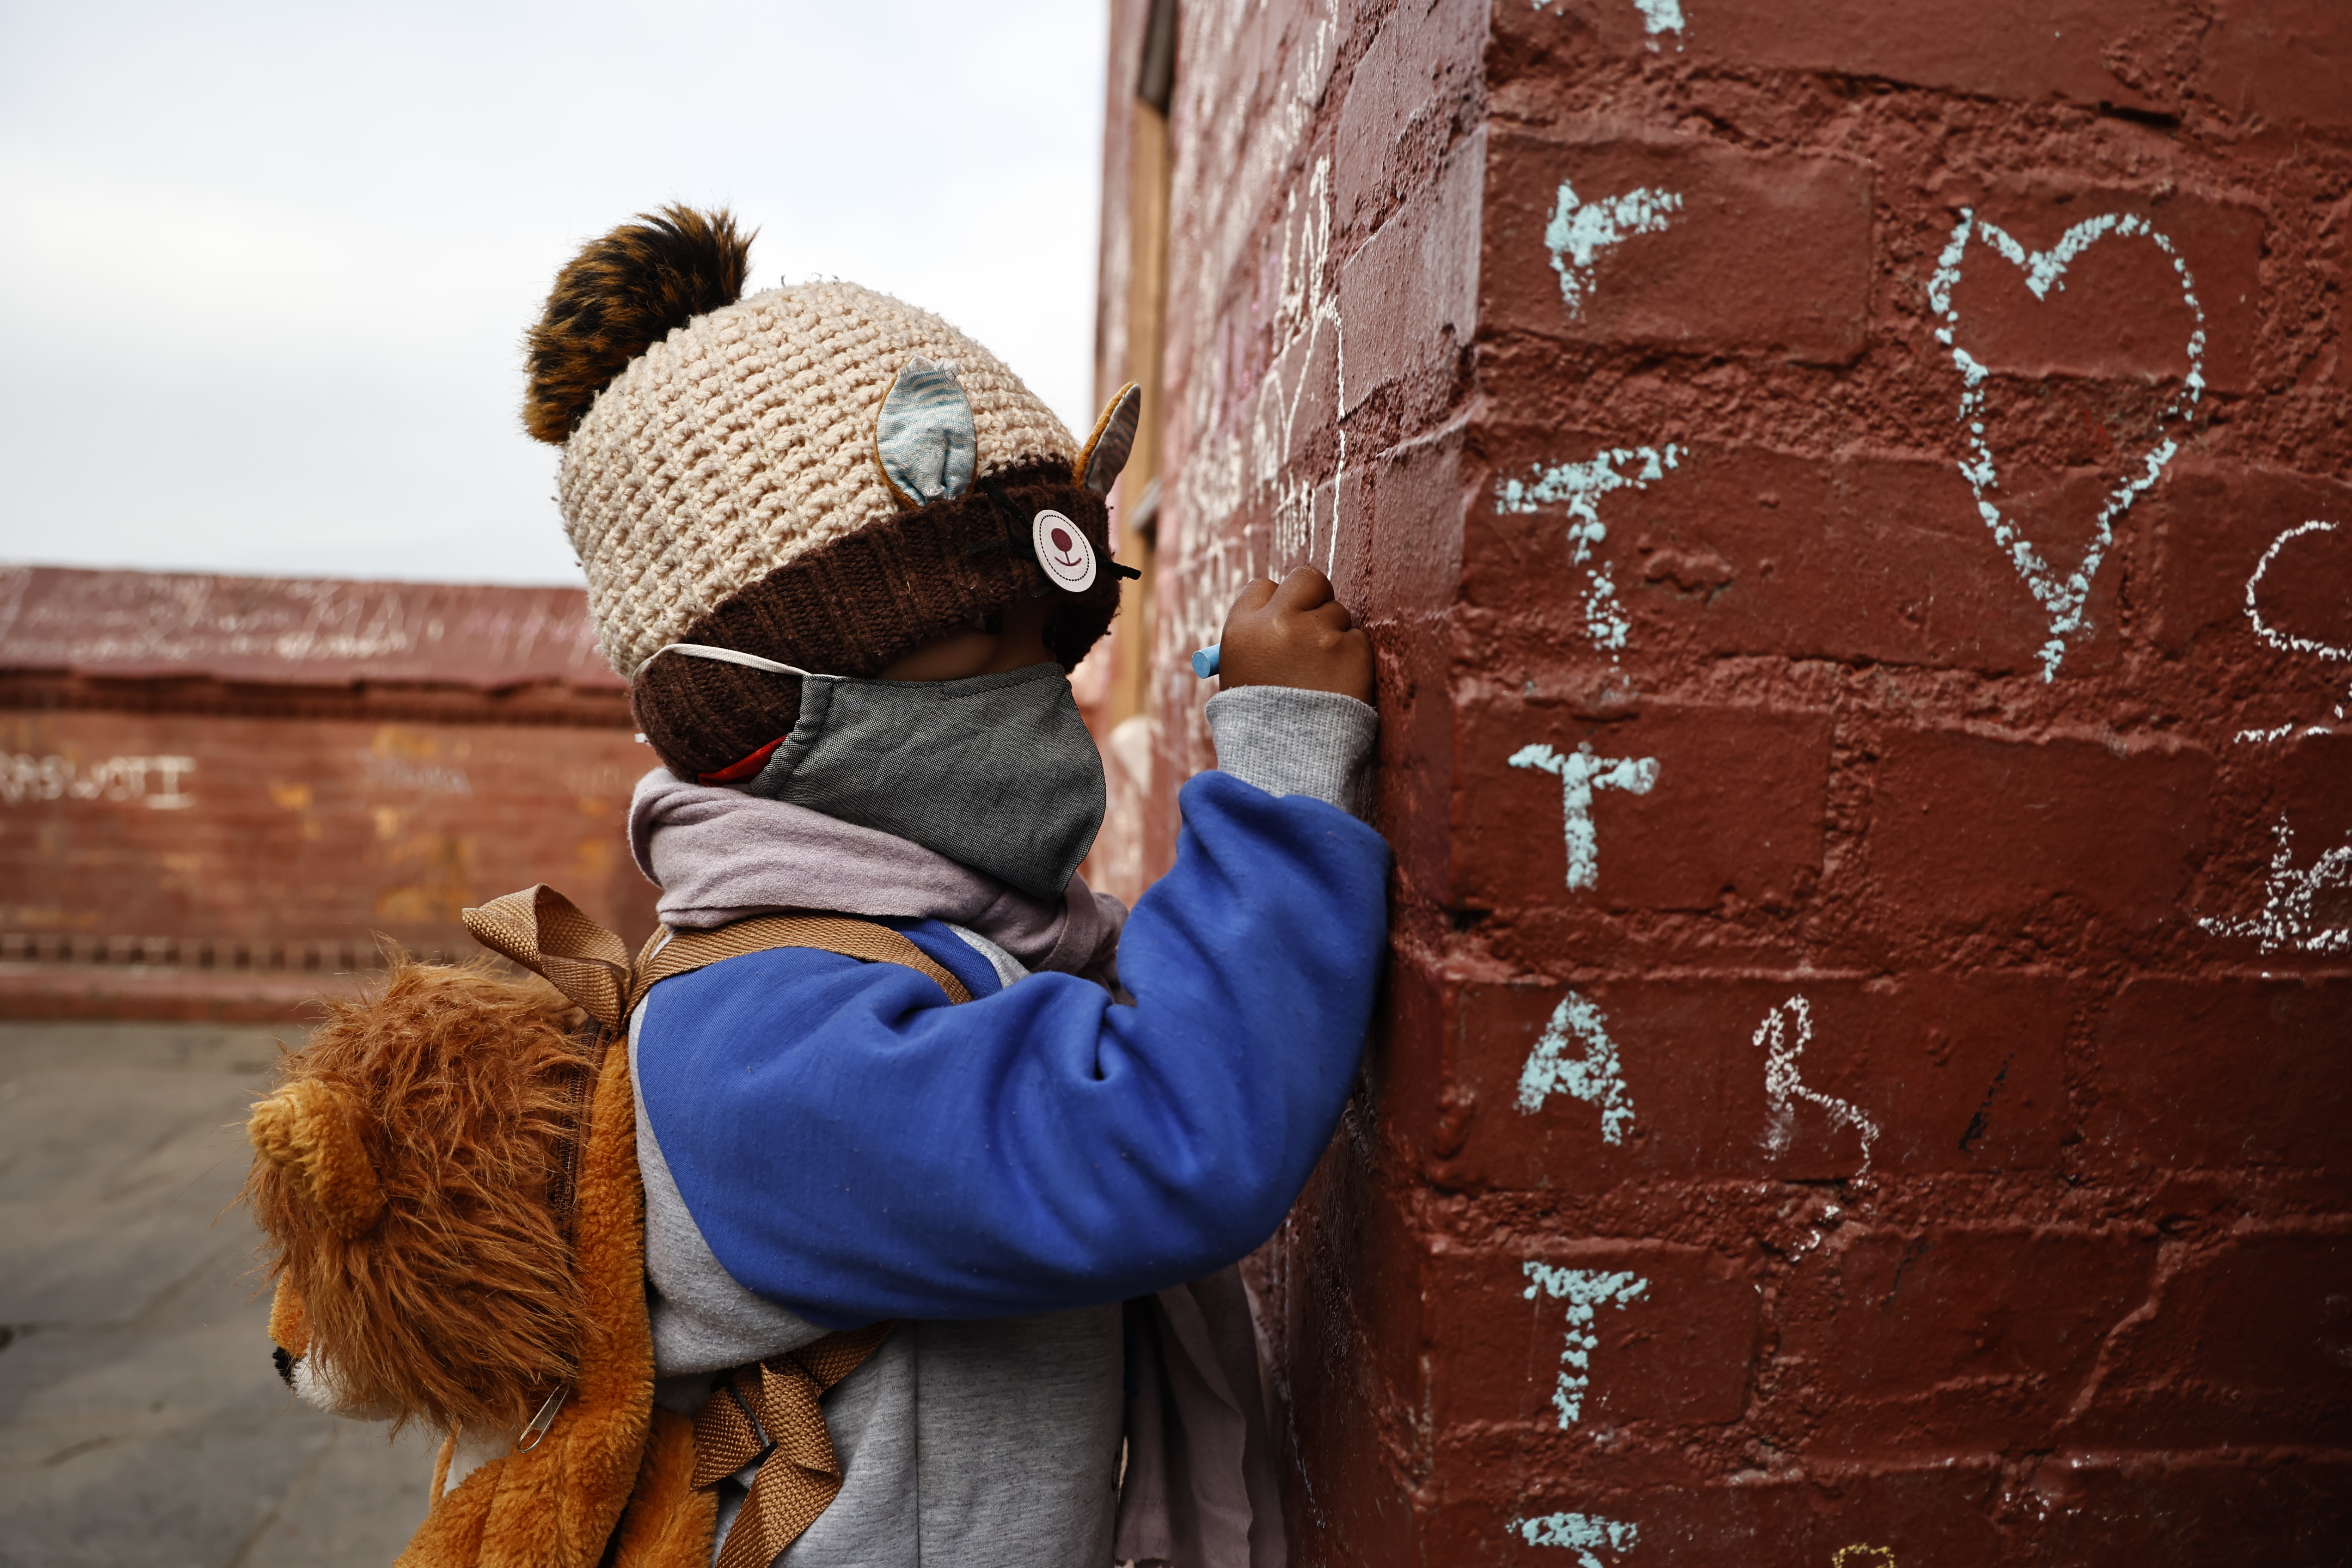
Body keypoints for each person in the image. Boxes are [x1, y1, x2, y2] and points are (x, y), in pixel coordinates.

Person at [527, 205, 1390, 1568]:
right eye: (970, 637)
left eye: (1048, 636)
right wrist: (1282, 787)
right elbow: (1162, 1142)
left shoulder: (933, 942)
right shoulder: (758, 1037)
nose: (1035, 690)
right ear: (764, 696)